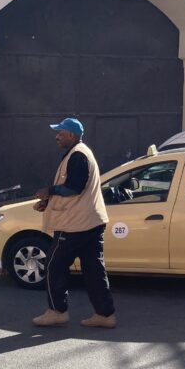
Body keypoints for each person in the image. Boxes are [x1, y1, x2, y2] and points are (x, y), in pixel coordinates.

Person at [31, 118, 116, 328]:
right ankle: (105, 315)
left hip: (75, 224)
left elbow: (74, 187)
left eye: (60, 132)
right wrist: (49, 203)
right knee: (94, 270)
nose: (56, 136)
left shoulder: (78, 155)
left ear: (71, 134)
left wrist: (49, 191)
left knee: (53, 265)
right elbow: (76, 191)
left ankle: (57, 311)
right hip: (91, 221)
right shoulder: (79, 153)